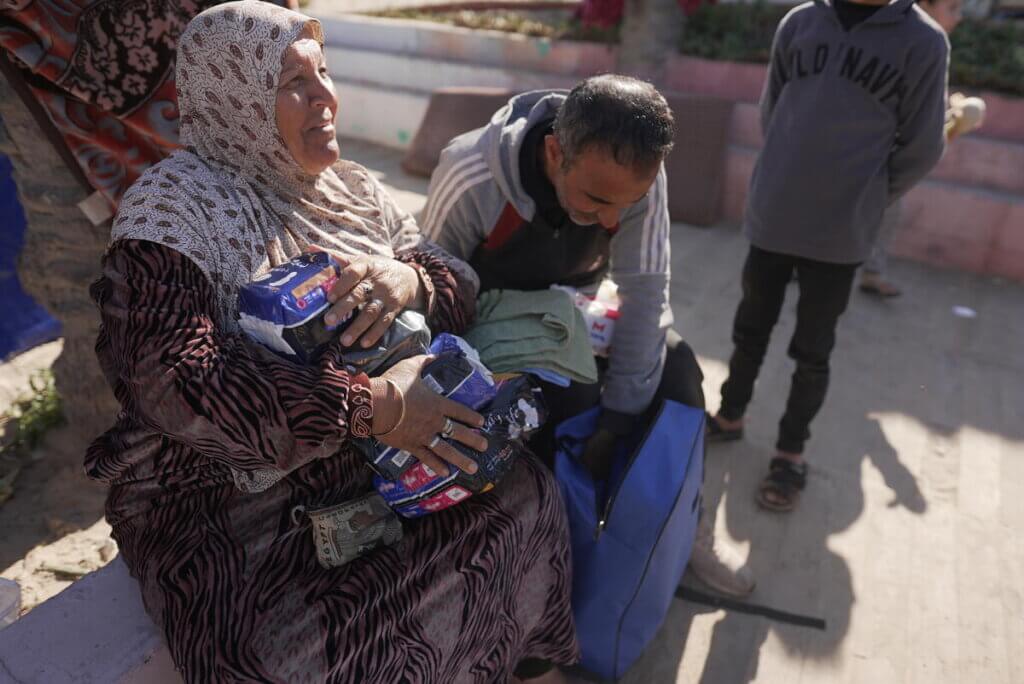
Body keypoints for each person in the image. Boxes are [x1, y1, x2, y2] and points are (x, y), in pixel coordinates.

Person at [84, 3, 576, 682]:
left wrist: (410, 281)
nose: (325, 98)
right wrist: (376, 408)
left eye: (325, 72)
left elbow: (458, 282)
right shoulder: (173, 211)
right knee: (294, 650)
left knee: (525, 496)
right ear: (235, 97)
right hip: (230, 491)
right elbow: (178, 386)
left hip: (379, 456)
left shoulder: (350, 189)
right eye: (292, 82)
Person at [421, 75, 755, 598]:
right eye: (597, 199)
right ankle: (535, 564)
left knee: (680, 371)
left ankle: (684, 528)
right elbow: (434, 297)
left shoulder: (638, 174)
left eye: (627, 204)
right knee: (561, 400)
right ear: (556, 152)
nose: (611, 219)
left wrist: (620, 416)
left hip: (579, 311)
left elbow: (645, 292)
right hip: (489, 319)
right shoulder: (472, 173)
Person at [707, 0, 949, 510]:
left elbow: (923, 146)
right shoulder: (800, 22)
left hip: (841, 229)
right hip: (775, 212)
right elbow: (773, 109)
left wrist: (869, 195)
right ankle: (729, 417)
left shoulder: (924, 43)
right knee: (750, 328)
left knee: (812, 350)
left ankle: (790, 453)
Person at [859, 0, 985, 298]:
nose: (959, 17)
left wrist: (953, 122)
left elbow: (923, 129)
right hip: (871, 160)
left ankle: (869, 271)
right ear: (925, 6)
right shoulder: (910, 42)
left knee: (885, 215)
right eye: (952, 8)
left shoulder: (929, 46)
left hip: (888, 163)